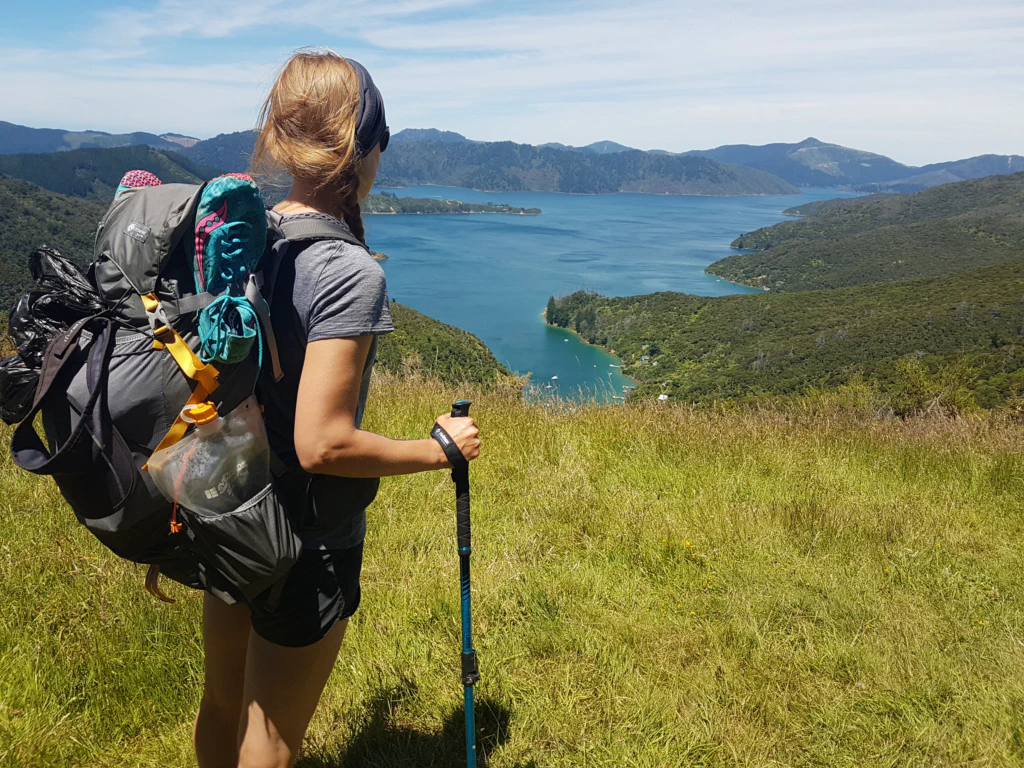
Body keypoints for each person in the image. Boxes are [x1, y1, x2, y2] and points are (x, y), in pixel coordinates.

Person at [192, 48, 482, 768]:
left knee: (223, 703)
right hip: (305, 537)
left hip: (228, 502)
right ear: (364, 145)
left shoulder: (245, 239)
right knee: (271, 739)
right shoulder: (347, 272)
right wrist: (440, 449)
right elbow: (322, 444)